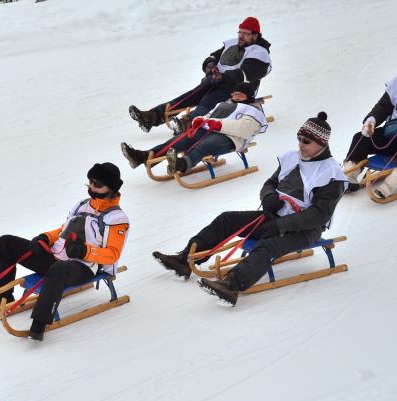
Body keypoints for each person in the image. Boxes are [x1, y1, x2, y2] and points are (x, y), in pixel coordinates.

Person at [152, 112, 347, 306]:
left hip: (304, 229)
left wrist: (280, 225)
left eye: (306, 141)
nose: (300, 145)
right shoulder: (292, 158)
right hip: (274, 215)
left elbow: (319, 215)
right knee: (226, 220)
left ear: (321, 144)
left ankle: (231, 285)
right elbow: (270, 183)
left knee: (267, 246)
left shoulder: (330, 173)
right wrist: (269, 197)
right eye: (299, 139)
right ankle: (185, 260)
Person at [0, 163, 130, 340]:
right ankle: (1, 296)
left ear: (111, 188)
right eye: (91, 182)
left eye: (98, 184)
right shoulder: (82, 205)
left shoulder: (117, 218)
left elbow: (112, 254)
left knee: (58, 270)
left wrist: (84, 251)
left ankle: (40, 322)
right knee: (6, 242)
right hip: (56, 257)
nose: (92, 187)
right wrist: (46, 238)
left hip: (83, 266)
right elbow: (63, 230)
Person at [129, 17, 271, 134]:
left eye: (245, 33)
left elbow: (243, 74)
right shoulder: (232, 43)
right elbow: (212, 57)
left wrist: (221, 77)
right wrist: (210, 67)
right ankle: (153, 116)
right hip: (216, 81)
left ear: (255, 35)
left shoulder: (259, 52)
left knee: (208, 100)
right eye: (239, 32)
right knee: (190, 96)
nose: (240, 35)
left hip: (238, 89)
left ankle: (188, 122)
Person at [121, 82, 267, 174]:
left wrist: (218, 125)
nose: (236, 97)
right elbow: (209, 115)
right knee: (179, 140)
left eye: (240, 95)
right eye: (235, 94)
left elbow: (244, 129)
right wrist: (198, 121)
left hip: (232, 139)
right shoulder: (225, 104)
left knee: (204, 145)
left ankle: (180, 164)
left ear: (249, 96)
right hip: (209, 130)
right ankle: (143, 156)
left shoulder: (253, 111)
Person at [343, 47, 397, 198]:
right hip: (394, 135)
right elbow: (383, 106)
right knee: (361, 137)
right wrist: (371, 121)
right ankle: (349, 175)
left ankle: (391, 184)